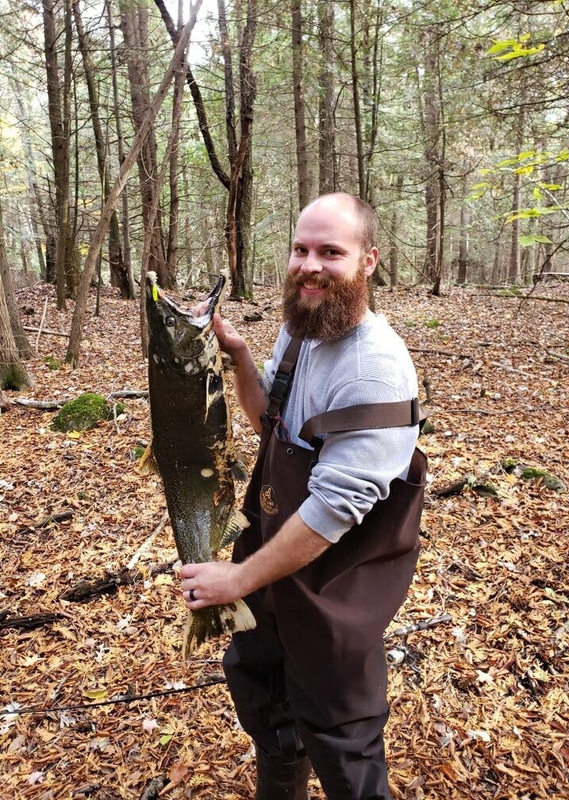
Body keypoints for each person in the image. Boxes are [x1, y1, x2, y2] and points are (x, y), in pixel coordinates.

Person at [181, 193, 426, 799]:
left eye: (330, 252)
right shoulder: (302, 330)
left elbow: (332, 509)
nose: (310, 266)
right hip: (272, 558)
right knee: (266, 700)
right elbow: (270, 421)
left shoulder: (373, 367)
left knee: (342, 736)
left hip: (335, 581)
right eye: (301, 249)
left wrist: (238, 580)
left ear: (368, 261)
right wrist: (239, 354)